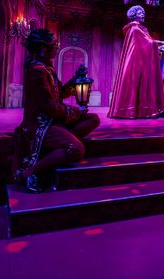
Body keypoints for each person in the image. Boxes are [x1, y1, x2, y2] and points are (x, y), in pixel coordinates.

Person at [11, 29, 100, 193]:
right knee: (76, 149)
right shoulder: (37, 71)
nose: (56, 48)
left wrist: (75, 82)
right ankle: (30, 171)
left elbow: (60, 93)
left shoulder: (47, 68)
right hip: (41, 124)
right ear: (43, 48)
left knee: (93, 119)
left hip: (54, 120)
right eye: (53, 45)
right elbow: (50, 107)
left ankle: (59, 140)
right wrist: (76, 112)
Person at [108, 6, 164, 118]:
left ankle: (140, 111)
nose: (143, 14)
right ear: (134, 15)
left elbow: (146, 43)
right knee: (136, 85)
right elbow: (147, 44)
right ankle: (132, 111)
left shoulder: (140, 28)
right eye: (140, 13)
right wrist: (161, 42)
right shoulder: (135, 29)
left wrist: (158, 45)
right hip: (135, 62)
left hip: (140, 60)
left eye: (143, 12)